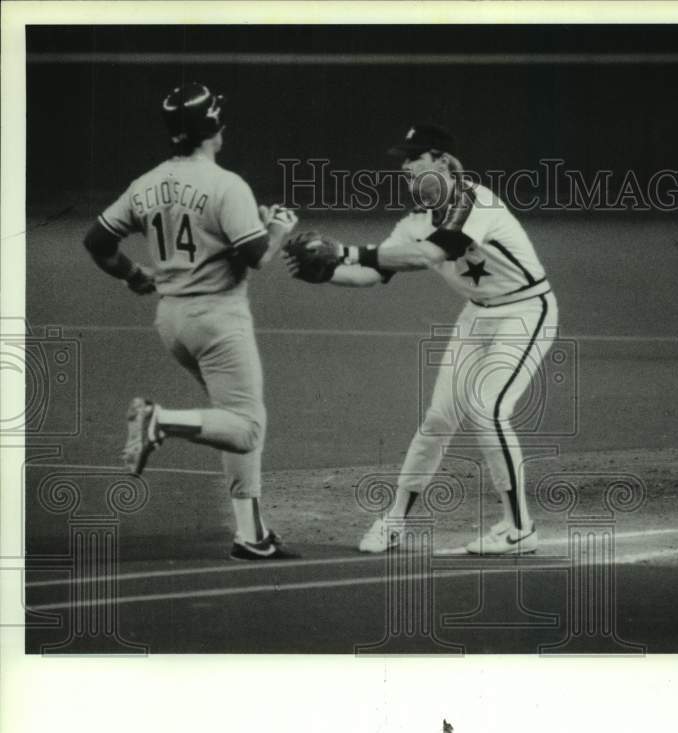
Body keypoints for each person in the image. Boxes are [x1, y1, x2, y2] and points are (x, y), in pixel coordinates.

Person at [284, 124, 558, 555]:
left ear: (444, 161)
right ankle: (394, 520)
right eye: (404, 160)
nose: (407, 167)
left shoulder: (475, 201)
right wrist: (330, 273)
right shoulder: (413, 223)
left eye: (415, 157)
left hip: (525, 312)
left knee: (488, 410)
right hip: (477, 316)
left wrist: (349, 252)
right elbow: (374, 272)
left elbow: (432, 253)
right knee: (438, 420)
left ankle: (519, 527)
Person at [82, 82, 299, 560]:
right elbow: (258, 256)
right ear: (213, 128)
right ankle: (158, 421)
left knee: (235, 417)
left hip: (171, 320)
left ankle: (251, 533)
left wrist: (133, 273)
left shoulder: (146, 183)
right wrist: (280, 229)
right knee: (246, 428)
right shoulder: (226, 185)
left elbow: (97, 240)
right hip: (218, 320)